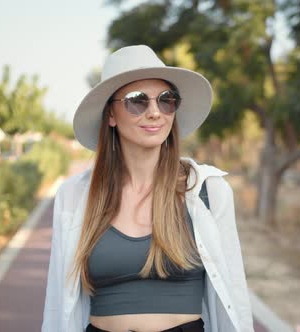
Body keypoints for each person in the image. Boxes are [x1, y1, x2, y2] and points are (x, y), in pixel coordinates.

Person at [42, 45, 254, 332]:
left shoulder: (208, 191)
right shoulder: (76, 196)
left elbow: (235, 295)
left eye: (166, 100)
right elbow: (57, 300)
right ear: (111, 116)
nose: (155, 112)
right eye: (137, 101)